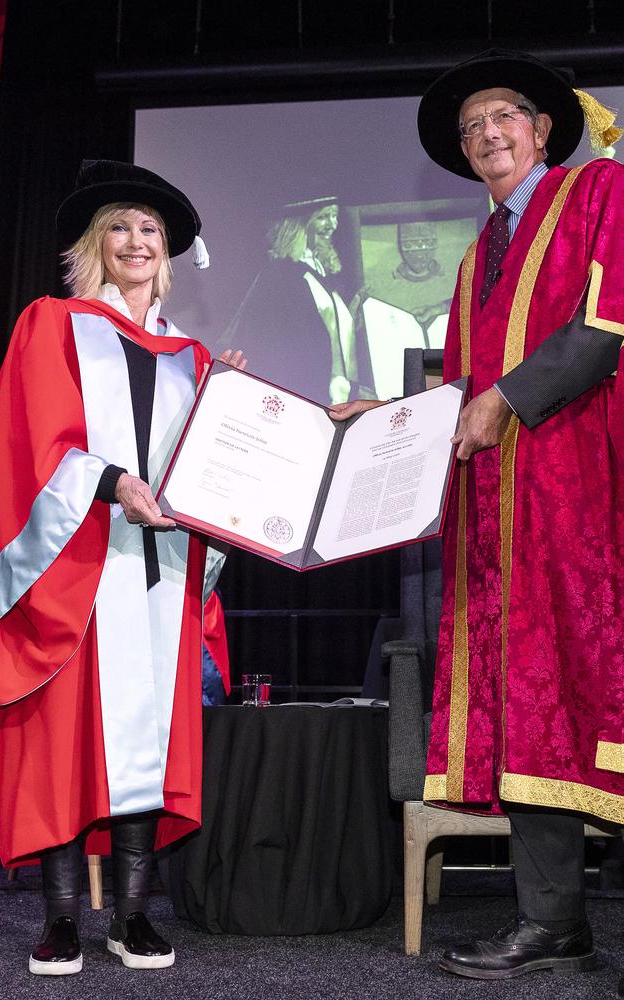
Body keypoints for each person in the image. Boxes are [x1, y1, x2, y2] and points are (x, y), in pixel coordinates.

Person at [332, 49, 624, 980]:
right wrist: (384, 414)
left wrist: (506, 396)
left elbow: (606, 326)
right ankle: (554, 923)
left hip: (586, 491)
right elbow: (458, 386)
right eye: (470, 129)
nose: (486, 134)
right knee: (534, 701)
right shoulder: (474, 257)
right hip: (504, 511)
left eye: (503, 116)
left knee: (600, 679)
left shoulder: (598, 192)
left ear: (543, 129)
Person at [0, 159, 245, 975]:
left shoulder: (191, 355)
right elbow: (32, 442)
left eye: (151, 230)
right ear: (97, 243)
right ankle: (61, 919)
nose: (136, 240)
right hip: (73, 569)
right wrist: (112, 483)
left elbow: (211, 475)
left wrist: (228, 409)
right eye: (121, 226)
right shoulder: (50, 323)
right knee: (59, 738)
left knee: (147, 739)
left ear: (167, 255)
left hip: (157, 575)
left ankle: (132, 914)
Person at [223, 194, 375, 405]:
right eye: (323, 217)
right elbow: (289, 352)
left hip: (334, 405)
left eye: (335, 216)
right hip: (304, 405)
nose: (333, 225)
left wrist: (351, 317)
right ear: (300, 224)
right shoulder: (282, 278)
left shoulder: (321, 275)